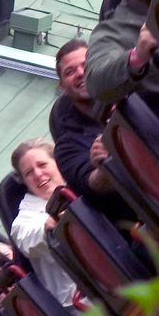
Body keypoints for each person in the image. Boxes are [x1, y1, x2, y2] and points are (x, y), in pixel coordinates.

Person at [49, 38, 128, 218]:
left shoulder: (131, 92)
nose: (80, 73)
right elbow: (93, 185)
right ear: (62, 86)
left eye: (85, 65)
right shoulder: (67, 147)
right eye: (70, 72)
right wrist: (106, 165)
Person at [9, 139, 79, 306]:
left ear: (57, 162)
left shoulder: (80, 182)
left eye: (42, 165)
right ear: (24, 181)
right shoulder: (24, 221)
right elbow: (29, 240)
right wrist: (48, 227)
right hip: (80, 301)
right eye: (29, 173)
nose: (38, 174)